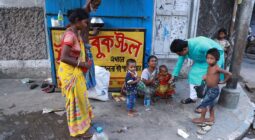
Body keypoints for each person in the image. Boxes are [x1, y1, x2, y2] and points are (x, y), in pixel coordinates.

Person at [58, 9, 93, 137]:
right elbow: (64, 57)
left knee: (81, 98)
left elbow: (85, 36)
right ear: (77, 21)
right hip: (70, 72)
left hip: (75, 71)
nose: (86, 25)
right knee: (75, 101)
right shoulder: (70, 35)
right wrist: (82, 64)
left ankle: (83, 124)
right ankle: (79, 130)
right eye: (85, 22)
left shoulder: (75, 32)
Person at [170, 36, 224, 104]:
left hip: (215, 58)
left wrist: (212, 71)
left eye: (179, 54)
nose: (179, 55)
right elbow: (179, 62)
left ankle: (204, 102)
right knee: (192, 74)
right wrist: (174, 75)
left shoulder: (202, 45)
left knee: (207, 79)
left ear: (184, 49)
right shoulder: (184, 46)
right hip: (202, 60)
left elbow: (214, 55)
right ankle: (193, 98)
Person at [192, 48, 232, 125]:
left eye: (211, 58)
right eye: (207, 58)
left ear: (217, 59)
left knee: (203, 104)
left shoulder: (216, 68)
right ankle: (211, 117)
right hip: (208, 88)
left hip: (213, 90)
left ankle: (202, 119)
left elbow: (229, 74)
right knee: (211, 104)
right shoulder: (209, 66)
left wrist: (223, 81)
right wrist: (206, 77)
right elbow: (210, 75)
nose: (209, 60)